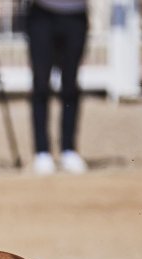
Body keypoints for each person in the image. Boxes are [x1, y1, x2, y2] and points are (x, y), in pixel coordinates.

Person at [25, 0, 90, 175]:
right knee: (40, 84)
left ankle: (68, 149)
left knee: (70, 84)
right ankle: (42, 151)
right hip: (42, 14)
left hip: (76, 14)